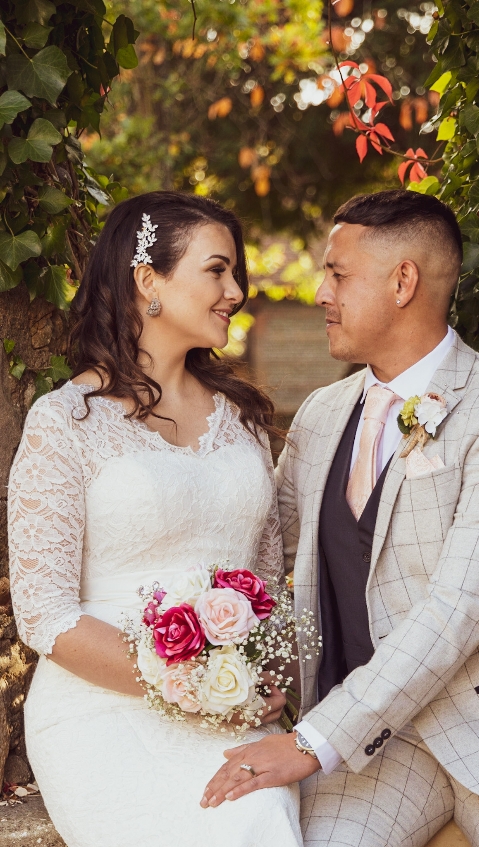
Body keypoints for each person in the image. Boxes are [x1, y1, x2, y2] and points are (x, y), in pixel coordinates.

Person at [200, 190, 479, 847]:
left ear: (404, 281)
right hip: (378, 750)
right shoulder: (320, 415)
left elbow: (459, 606)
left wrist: (311, 740)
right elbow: (262, 556)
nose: (319, 292)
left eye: (338, 274)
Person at [8, 191, 303, 847]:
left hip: (234, 708)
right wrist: (196, 685)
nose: (234, 290)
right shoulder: (65, 422)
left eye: (235, 274)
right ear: (148, 281)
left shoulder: (246, 421)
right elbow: (45, 614)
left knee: (258, 811)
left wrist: (260, 684)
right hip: (99, 710)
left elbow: (266, 580)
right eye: (217, 270)